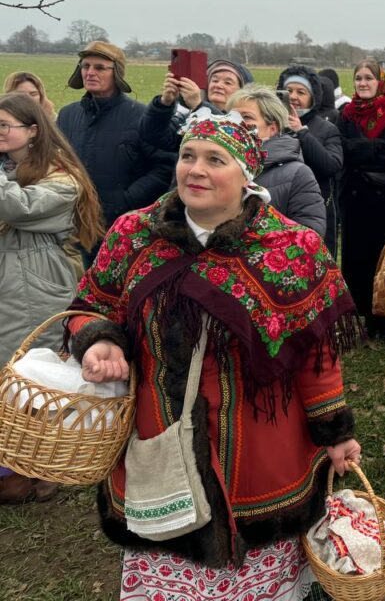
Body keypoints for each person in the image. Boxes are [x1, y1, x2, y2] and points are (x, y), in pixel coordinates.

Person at [66, 110, 361, 600]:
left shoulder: (292, 247)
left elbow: (318, 356)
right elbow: (91, 302)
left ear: (246, 176)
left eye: (214, 159)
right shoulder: (134, 234)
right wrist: (100, 339)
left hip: (260, 457)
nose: (195, 169)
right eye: (187, 156)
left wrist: (335, 434)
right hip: (156, 438)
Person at [0, 94, 105, 505]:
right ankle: (16, 470)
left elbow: (18, 207)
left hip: (35, 284)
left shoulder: (62, 178)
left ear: (33, 130)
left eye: (6, 125)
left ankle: (35, 474)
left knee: (31, 379)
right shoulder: (11, 169)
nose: (0, 132)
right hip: (12, 280)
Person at [56, 41, 174, 247]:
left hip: (122, 229)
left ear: (117, 73)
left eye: (100, 67)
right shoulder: (67, 115)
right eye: (85, 66)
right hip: (73, 224)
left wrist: (125, 200)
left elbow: (164, 167)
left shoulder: (141, 117)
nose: (90, 72)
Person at [336, 60, 385, 340]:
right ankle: (358, 314)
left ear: (380, 81)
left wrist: (362, 151)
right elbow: (342, 150)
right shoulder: (345, 115)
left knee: (384, 257)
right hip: (353, 198)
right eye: (359, 78)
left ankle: (384, 316)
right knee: (355, 258)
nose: (363, 83)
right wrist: (379, 147)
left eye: (369, 77)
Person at [226, 85, 326, 235]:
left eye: (246, 117)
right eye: (231, 117)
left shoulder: (297, 174)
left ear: (272, 128)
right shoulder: (211, 166)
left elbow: (310, 237)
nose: (236, 123)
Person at [277, 66, 345, 255]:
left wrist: (302, 132)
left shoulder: (326, 129)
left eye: (301, 92)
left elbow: (331, 165)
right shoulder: (270, 125)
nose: (293, 97)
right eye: (288, 91)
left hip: (314, 211)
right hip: (278, 209)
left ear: (313, 97)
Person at [141, 59, 254, 152]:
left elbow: (233, 142)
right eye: (214, 80)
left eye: (228, 82)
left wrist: (200, 106)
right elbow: (153, 135)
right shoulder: (191, 117)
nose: (218, 85)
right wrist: (164, 104)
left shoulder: (248, 121)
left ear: (242, 91)